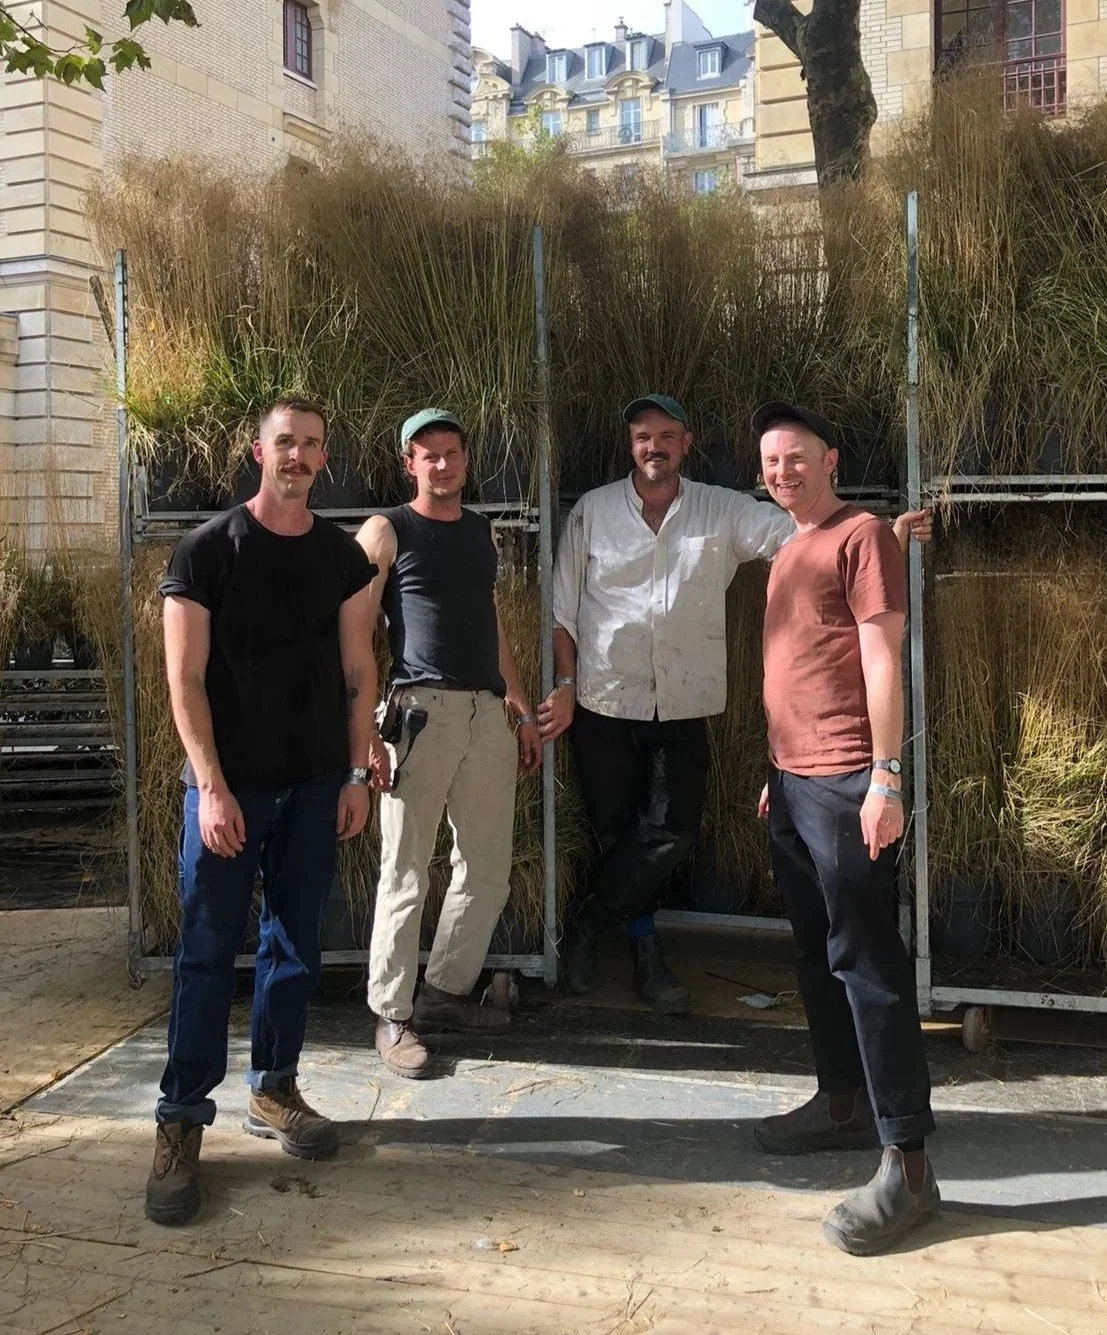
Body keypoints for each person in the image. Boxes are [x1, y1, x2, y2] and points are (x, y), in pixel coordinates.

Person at [542, 394, 927, 1013]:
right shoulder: (592, 512)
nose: (654, 447)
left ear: (687, 444)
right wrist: (562, 688)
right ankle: (645, 954)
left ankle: (588, 923)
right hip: (604, 701)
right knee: (616, 835)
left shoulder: (722, 510)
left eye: (667, 435)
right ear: (630, 444)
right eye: (643, 436)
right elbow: (561, 611)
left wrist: (885, 535)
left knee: (671, 830)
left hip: (685, 702)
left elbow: (806, 532)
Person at [146, 398, 388, 1227]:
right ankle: (181, 1119)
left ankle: (275, 1087)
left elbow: (360, 670)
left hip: (317, 784)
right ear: (259, 449)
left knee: (294, 946)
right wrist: (210, 786)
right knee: (207, 952)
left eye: (313, 445)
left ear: (323, 458)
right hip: (230, 789)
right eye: (286, 441)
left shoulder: (341, 558)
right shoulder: (207, 551)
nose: (299, 456)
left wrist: (356, 773)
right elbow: (183, 682)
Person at [752, 401, 939, 1257]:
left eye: (795, 456)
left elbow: (878, 654)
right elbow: (797, 664)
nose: (781, 470)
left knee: (868, 963)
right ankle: (839, 1101)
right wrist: (775, 775)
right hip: (794, 784)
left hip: (845, 779)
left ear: (829, 458)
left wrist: (884, 776)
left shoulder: (860, 534)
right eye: (769, 461)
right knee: (813, 953)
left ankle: (908, 1165)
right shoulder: (790, 548)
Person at [357, 409, 542, 1079]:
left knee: (486, 866)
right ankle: (392, 1013)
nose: (441, 463)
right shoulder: (386, 530)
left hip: (484, 713)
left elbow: (490, 622)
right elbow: (355, 632)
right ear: (409, 464)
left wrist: (517, 705)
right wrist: (363, 734)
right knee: (405, 870)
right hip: (419, 714)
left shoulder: (479, 531)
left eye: (451, 452)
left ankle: (443, 993)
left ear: (466, 460)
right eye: (427, 454)